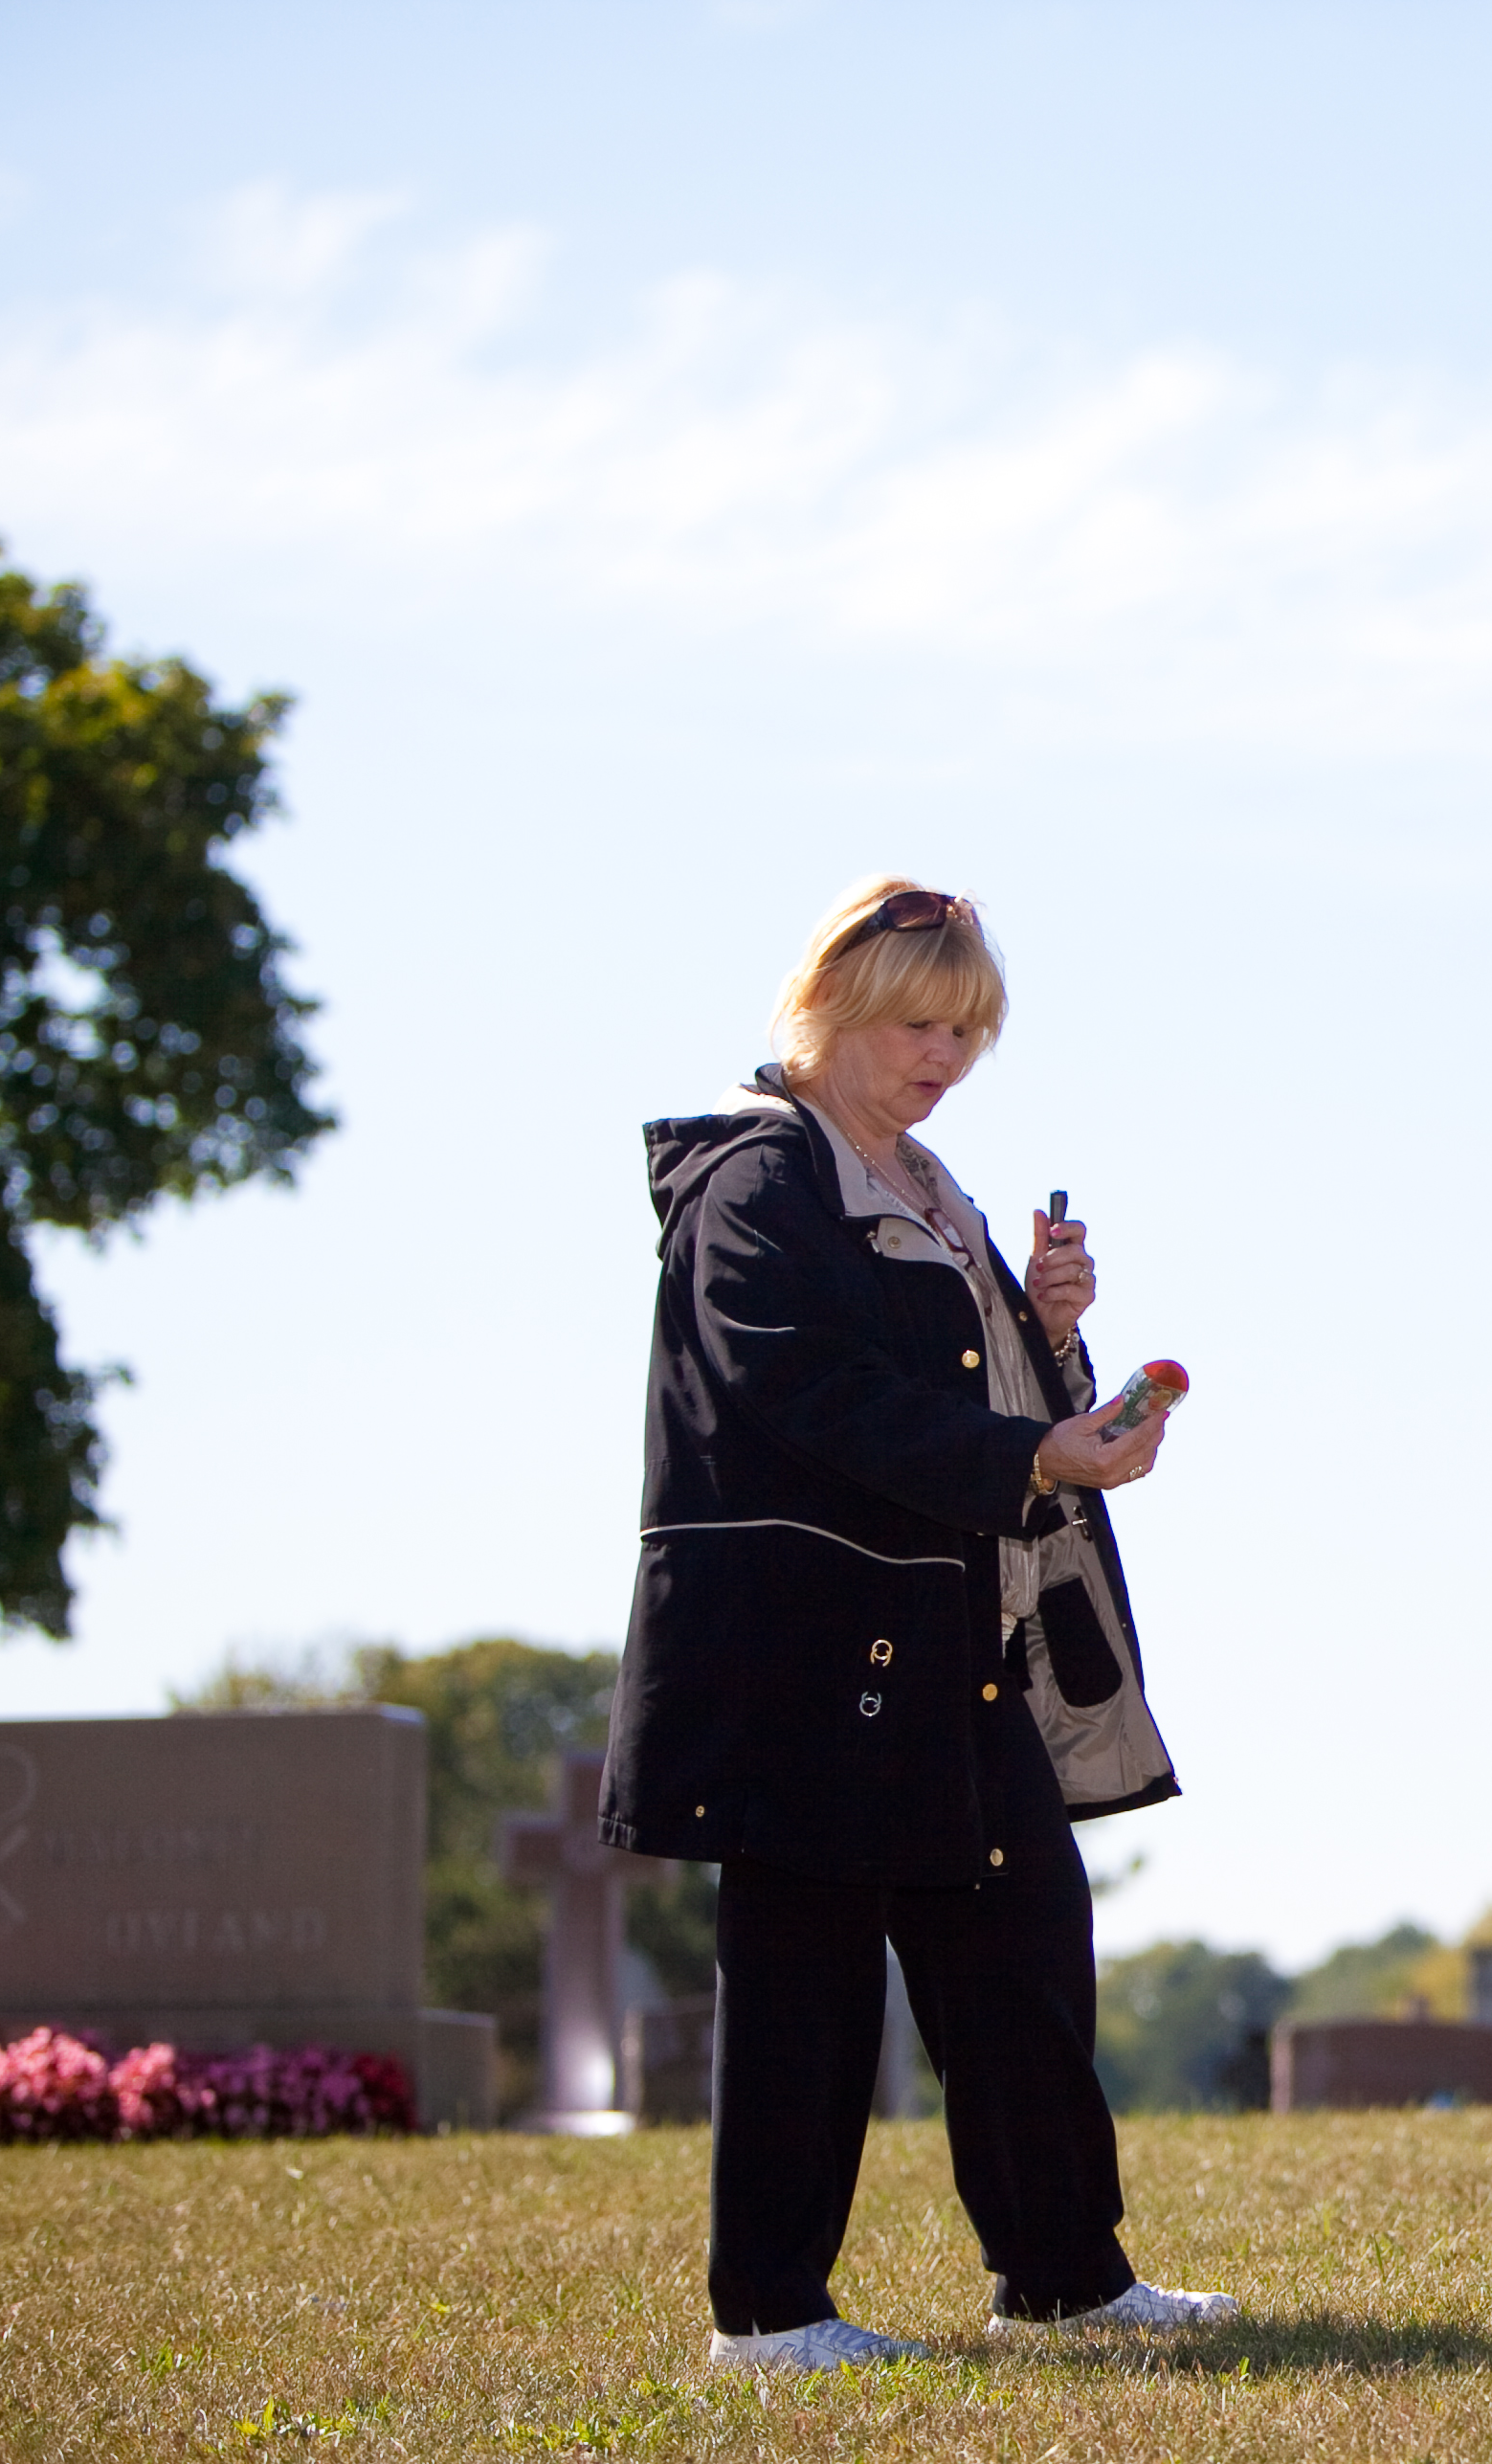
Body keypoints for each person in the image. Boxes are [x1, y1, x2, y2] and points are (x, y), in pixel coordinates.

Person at [603, 876, 1237, 2369]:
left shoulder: (917, 1180)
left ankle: (1066, 2277)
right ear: (824, 1007)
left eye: (966, 1027)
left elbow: (953, 1395)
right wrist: (1032, 1450)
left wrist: (1051, 1336)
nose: (942, 1055)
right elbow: (809, 1392)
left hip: (950, 1641)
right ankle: (767, 2315)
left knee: (1023, 1948)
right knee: (801, 1980)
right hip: (805, 1645)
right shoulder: (755, 1177)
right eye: (914, 1023)